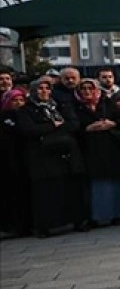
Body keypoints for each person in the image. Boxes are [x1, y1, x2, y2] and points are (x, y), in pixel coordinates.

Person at [17, 77, 88, 237]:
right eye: (40, 88)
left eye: (47, 88)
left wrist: (52, 128)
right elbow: (29, 130)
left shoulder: (59, 106)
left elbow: (73, 124)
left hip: (67, 155)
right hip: (43, 158)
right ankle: (45, 227)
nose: (44, 91)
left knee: (71, 190)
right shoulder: (26, 110)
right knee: (45, 194)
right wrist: (52, 126)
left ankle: (77, 221)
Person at [73, 79, 120, 228]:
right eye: (83, 89)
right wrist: (87, 129)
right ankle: (95, 217)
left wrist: (112, 124)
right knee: (94, 185)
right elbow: (73, 126)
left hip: (111, 148)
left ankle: (116, 214)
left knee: (114, 182)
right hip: (89, 150)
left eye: (91, 88)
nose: (87, 91)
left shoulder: (107, 104)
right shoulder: (77, 108)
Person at [1, 88, 33, 238]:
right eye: (15, 100)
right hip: (8, 161)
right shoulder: (4, 117)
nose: (19, 103)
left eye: (21, 100)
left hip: (27, 159)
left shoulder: (26, 115)